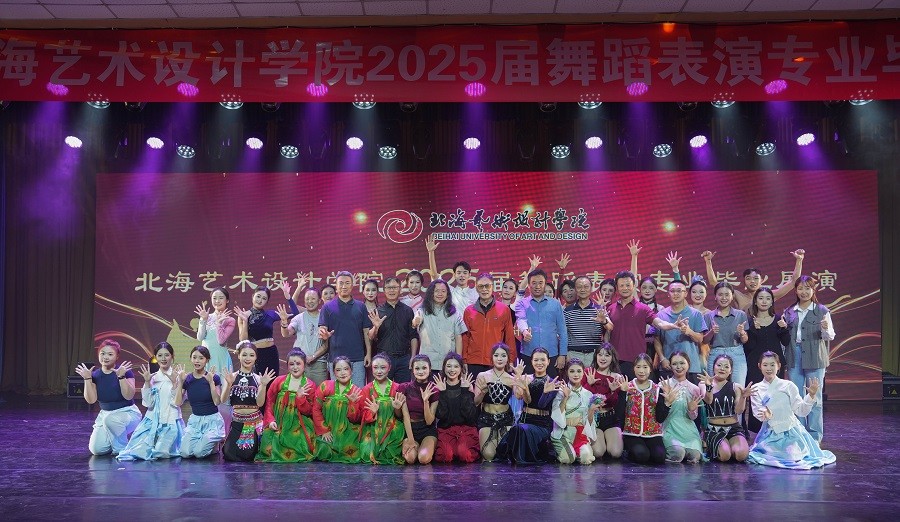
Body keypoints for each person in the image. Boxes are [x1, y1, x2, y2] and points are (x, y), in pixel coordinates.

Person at [747, 351, 835, 469]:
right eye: (765, 365)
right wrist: (766, 415)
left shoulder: (788, 385)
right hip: (770, 433)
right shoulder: (756, 388)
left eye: (772, 365)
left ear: (779, 366)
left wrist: (811, 396)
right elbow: (758, 413)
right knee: (769, 456)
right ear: (759, 366)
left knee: (793, 456)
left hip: (791, 431)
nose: (769, 368)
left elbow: (801, 411)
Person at [783, 275, 835, 442]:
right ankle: (800, 435)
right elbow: (785, 338)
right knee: (797, 396)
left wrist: (825, 328)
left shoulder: (822, 310)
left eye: (807, 288)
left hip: (815, 355)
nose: (804, 292)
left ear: (814, 290)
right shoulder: (789, 311)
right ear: (795, 290)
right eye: (800, 288)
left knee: (814, 396)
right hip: (794, 354)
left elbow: (829, 336)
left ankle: (814, 437)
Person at [606, 271, 681, 380]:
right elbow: (607, 334)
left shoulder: (643, 308)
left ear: (634, 286)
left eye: (628, 285)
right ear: (617, 288)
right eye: (621, 285)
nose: (625, 288)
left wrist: (672, 325)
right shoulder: (611, 308)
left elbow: (659, 323)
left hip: (636, 362)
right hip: (614, 361)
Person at [117, 342, 184, 461]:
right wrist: (147, 382)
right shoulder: (152, 377)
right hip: (152, 422)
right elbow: (148, 404)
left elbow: (177, 403)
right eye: (160, 355)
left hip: (170, 422)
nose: (163, 359)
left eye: (167, 355)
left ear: (172, 356)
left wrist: (175, 384)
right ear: (155, 357)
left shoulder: (179, 377)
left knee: (161, 452)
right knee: (139, 451)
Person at [74, 339, 142, 456]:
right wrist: (87, 379)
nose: (105, 357)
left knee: (111, 420)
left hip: (128, 414)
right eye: (102, 353)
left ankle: (122, 450)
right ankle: (117, 437)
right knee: (97, 450)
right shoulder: (95, 375)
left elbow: (128, 396)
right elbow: (91, 400)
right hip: (105, 415)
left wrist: (121, 377)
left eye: (110, 354)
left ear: (117, 356)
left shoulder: (125, 372)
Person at [496, 348, 560, 464]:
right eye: (536, 360)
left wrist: (545, 393)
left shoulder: (552, 382)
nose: (539, 363)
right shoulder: (527, 378)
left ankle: (521, 459)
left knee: (520, 429)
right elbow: (524, 399)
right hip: (526, 419)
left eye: (542, 360)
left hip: (542, 424)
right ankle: (518, 460)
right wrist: (520, 380)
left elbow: (542, 405)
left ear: (548, 361)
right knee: (518, 429)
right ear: (531, 361)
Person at [256, 348, 320, 463]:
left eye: (298, 364)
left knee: (300, 443)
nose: (295, 367)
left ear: (304, 365)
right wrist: (270, 420)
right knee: (268, 439)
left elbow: (309, 411)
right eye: (291, 364)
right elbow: (270, 402)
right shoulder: (279, 381)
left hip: (300, 424)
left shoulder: (309, 385)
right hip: (279, 422)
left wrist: (300, 398)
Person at [744, 287, 791, 434]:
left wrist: (784, 329)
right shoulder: (749, 321)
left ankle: (775, 428)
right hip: (755, 365)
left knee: (775, 395)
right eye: (761, 298)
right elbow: (748, 346)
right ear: (755, 301)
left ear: (772, 302)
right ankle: (756, 431)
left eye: (768, 298)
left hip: (775, 365)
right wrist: (753, 330)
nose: (764, 301)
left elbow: (786, 342)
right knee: (756, 395)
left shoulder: (778, 319)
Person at [220, 341, 276, 462]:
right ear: (238, 355)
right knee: (228, 454)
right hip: (236, 422)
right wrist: (228, 384)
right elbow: (223, 400)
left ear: (256, 358)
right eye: (244, 355)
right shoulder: (231, 377)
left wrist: (264, 385)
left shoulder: (258, 379)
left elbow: (260, 403)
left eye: (251, 355)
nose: (248, 358)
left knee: (247, 454)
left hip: (252, 423)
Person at [318, 271, 374, 388]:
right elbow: (322, 329)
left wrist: (368, 353)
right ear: (336, 286)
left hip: (357, 359)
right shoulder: (327, 307)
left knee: (358, 393)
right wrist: (324, 335)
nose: (344, 286)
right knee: (338, 394)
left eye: (347, 283)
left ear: (352, 285)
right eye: (341, 283)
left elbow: (366, 332)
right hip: (335, 359)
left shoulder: (361, 306)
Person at [702, 249, 805, 311]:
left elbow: (794, 281)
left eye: (756, 278)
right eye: (748, 278)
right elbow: (714, 283)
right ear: (744, 282)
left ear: (762, 281)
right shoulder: (737, 295)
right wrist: (708, 262)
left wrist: (799, 260)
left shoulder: (769, 295)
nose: (752, 281)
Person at [234, 285, 299, 377]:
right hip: (255, 354)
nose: (260, 300)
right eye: (258, 296)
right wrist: (245, 322)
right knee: (258, 381)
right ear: (253, 296)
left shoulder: (270, 314)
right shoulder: (244, 315)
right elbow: (243, 340)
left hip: (271, 353)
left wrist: (287, 296)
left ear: (267, 301)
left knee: (273, 381)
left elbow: (295, 313)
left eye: (264, 298)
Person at [618, 354, 671, 465]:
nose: (641, 371)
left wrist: (667, 403)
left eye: (645, 367)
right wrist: (622, 393)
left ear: (650, 369)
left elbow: (660, 418)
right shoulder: (627, 387)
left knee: (659, 457)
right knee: (642, 456)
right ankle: (629, 452)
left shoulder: (657, 389)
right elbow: (620, 413)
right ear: (634, 368)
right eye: (638, 367)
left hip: (653, 433)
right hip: (632, 433)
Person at [515, 268, 568, 377]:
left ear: (545, 284)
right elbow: (521, 319)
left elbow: (562, 331)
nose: (537, 286)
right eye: (534, 283)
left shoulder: (555, 304)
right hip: (529, 354)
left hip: (551, 355)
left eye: (540, 283)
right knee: (528, 386)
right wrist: (525, 331)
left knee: (551, 385)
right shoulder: (521, 303)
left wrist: (562, 354)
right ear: (529, 285)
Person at [699, 354, 751, 463]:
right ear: (713, 367)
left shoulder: (736, 387)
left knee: (741, 455)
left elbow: (739, 411)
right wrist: (709, 387)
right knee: (725, 456)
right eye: (719, 365)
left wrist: (743, 397)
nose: (722, 368)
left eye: (726, 366)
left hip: (733, 428)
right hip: (714, 429)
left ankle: (730, 445)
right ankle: (715, 446)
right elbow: (708, 400)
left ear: (731, 371)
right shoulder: (703, 384)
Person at [474, 343, 522, 461]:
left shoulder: (511, 379)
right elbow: (476, 402)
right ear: (492, 357)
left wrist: (519, 378)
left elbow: (519, 396)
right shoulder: (483, 376)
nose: (499, 358)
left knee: (505, 452)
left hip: (506, 419)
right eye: (496, 355)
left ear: (508, 358)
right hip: (487, 418)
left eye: (503, 355)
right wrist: (483, 392)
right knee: (489, 455)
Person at [367, 277, 419, 384]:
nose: (392, 290)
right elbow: (371, 337)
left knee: (403, 390)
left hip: (404, 359)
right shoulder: (377, 311)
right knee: (383, 390)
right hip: (384, 358)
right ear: (384, 290)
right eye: (389, 288)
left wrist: (413, 356)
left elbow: (413, 336)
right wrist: (376, 327)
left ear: (400, 289)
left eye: (395, 287)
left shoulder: (408, 311)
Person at [462, 274, 516, 376]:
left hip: (496, 361)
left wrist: (511, 359)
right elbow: (465, 338)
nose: (484, 289)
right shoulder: (469, 311)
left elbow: (509, 337)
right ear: (476, 288)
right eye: (480, 286)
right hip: (473, 362)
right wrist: (463, 360)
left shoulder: (504, 309)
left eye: (487, 286)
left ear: (493, 287)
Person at [654, 280, 707, 382]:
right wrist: (662, 358)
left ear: (685, 293)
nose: (676, 294)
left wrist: (689, 332)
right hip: (668, 366)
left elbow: (700, 339)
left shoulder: (696, 314)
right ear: (668, 294)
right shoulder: (661, 315)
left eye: (679, 291)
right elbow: (656, 339)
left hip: (691, 367)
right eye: (672, 291)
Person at [178, 346, 226, 459]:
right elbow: (178, 402)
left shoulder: (214, 377)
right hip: (195, 421)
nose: (197, 361)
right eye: (194, 357)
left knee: (199, 453)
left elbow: (217, 402)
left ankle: (214, 445)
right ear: (190, 359)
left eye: (201, 358)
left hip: (212, 421)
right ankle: (203, 441)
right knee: (185, 453)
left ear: (207, 360)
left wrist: (211, 382)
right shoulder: (187, 378)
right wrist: (180, 382)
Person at [315, 357, 364, 463]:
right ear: (334, 372)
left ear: (351, 371)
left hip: (348, 432)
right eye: (338, 370)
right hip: (328, 431)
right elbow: (316, 409)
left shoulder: (357, 391)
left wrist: (353, 403)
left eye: (346, 369)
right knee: (323, 450)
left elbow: (355, 419)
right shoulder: (325, 386)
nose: (342, 373)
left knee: (351, 452)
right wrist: (324, 430)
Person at [359, 353, 406, 464]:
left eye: (383, 367)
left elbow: (400, 416)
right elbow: (362, 414)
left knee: (390, 453)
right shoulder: (367, 389)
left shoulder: (398, 387)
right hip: (372, 427)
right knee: (367, 453)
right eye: (375, 367)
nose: (379, 371)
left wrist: (397, 409)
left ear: (389, 368)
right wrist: (372, 412)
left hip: (393, 426)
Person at [433, 353, 481, 463]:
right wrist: (443, 392)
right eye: (449, 366)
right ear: (444, 368)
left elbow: (471, 416)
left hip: (465, 429)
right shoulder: (439, 386)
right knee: (446, 456)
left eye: (456, 366)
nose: (452, 370)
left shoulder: (467, 385)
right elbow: (441, 415)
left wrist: (465, 391)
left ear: (461, 369)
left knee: (464, 454)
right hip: (446, 429)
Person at [583, 343, 627, 460]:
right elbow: (582, 398)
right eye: (600, 355)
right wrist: (589, 384)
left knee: (616, 453)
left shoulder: (617, 377)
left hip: (610, 418)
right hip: (593, 419)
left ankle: (608, 442)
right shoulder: (588, 372)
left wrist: (612, 392)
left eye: (607, 355)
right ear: (596, 356)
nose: (603, 358)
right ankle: (601, 443)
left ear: (612, 358)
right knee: (598, 452)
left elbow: (616, 404)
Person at [551, 358, 599, 465]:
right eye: (572, 371)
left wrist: (591, 411)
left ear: (583, 373)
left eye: (579, 371)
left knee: (586, 459)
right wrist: (565, 397)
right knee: (568, 459)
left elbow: (590, 422)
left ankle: (576, 451)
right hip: (564, 433)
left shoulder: (588, 394)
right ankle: (564, 451)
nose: (576, 374)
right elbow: (557, 416)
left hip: (580, 434)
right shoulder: (561, 391)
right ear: (567, 373)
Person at [413, 279, 467, 373]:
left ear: (447, 294)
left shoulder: (455, 313)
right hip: (427, 364)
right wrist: (415, 321)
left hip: (448, 364)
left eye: (443, 291)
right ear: (431, 293)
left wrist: (459, 361)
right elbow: (416, 321)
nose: (440, 294)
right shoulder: (423, 311)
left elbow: (458, 338)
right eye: (437, 291)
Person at [660, 351, 704, 463]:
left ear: (688, 364)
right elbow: (659, 414)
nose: (678, 367)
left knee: (695, 456)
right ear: (670, 366)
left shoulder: (694, 389)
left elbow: (693, 417)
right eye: (674, 364)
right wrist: (667, 402)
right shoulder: (663, 385)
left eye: (682, 363)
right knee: (678, 454)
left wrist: (691, 409)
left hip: (688, 429)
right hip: (669, 427)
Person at [704, 282, 750, 388]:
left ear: (732, 296)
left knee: (738, 388)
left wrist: (742, 333)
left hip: (736, 353)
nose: (724, 298)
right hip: (716, 353)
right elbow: (704, 340)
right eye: (720, 294)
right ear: (715, 297)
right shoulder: (708, 316)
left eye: (727, 294)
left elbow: (745, 340)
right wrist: (712, 332)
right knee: (713, 388)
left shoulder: (740, 315)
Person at [280, 287, 329, 385]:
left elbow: (326, 344)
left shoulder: (325, 317)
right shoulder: (299, 318)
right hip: (299, 364)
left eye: (313, 299)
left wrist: (313, 356)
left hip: (319, 365)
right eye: (307, 299)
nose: (310, 301)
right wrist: (284, 323)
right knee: (298, 392)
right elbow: (286, 333)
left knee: (320, 392)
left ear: (319, 300)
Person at [400, 355, 439, 464]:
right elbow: (405, 416)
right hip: (410, 428)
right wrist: (411, 440)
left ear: (430, 369)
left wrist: (426, 401)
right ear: (412, 370)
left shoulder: (434, 389)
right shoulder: (404, 388)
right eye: (417, 368)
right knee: (410, 458)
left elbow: (429, 421)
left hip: (427, 429)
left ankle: (424, 448)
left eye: (424, 368)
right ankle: (415, 446)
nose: (421, 371)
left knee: (423, 458)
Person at [426, 233, 478, 314]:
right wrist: (431, 252)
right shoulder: (449, 291)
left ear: (469, 275)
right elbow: (434, 275)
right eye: (459, 273)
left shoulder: (475, 293)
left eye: (465, 273)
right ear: (454, 275)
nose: (462, 275)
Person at [564, 276, 607, 364]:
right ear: (575, 289)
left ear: (591, 288)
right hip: (573, 354)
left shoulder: (599, 309)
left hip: (594, 354)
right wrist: (564, 354)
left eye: (586, 286)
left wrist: (604, 321)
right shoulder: (567, 311)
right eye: (579, 287)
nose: (582, 289)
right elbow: (563, 335)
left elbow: (611, 327)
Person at [195, 287, 235, 376]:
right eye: (214, 298)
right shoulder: (206, 316)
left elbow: (221, 340)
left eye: (221, 298)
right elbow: (200, 338)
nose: (217, 301)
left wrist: (218, 323)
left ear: (227, 300)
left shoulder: (230, 320)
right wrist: (203, 320)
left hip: (221, 358)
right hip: (206, 357)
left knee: (222, 382)